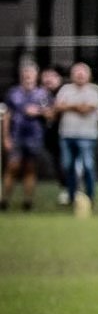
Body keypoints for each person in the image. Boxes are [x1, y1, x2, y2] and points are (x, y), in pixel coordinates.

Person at [2, 60, 52, 211]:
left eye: (31, 74)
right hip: (16, 136)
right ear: (21, 76)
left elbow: (51, 114)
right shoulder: (13, 93)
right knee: (12, 166)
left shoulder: (43, 94)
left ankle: (28, 202)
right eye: (25, 74)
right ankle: (4, 200)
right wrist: (5, 137)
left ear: (36, 76)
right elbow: (7, 116)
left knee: (30, 168)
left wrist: (38, 111)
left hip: (34, 137)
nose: (28, 77)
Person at [54, 62, 98, 207]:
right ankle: (71, 196)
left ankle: (90, 196)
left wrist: (69, 106)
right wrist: (77, 105)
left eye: (83, 72)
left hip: (87, 135)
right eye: (77, 72)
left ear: (89, 75)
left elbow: (87, 109)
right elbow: (58, 106)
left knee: (88, 166)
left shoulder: (94, 90)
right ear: (71, 75)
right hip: (67, 135)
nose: (80, 75)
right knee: (68, 166)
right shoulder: (65, 89)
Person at [40, 65, 66, 202]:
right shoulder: (41, 94)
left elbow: (53, 113)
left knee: (66, 164)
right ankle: (65, 189)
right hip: (50, 137)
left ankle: (71, 189)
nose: (48, 80)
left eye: (51, 76)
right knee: (57, 164)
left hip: (64, 135)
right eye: (45, 76)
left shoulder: (63, 91)